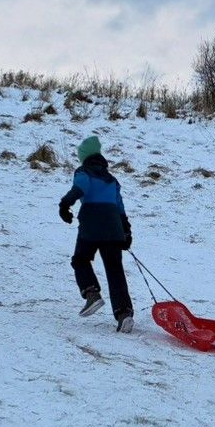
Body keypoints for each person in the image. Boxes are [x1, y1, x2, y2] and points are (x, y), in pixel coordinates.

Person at [59, 135, 134, 330]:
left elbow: (81, 187)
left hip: (92, 221)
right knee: (114, 269)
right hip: (113, 225)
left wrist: (66, 203)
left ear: (84, 157)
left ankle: (92, 294)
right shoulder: (111, 180)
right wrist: (126, 232)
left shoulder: (84, 172)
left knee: (80, 260)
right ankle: (124, 314)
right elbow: (120, 207)